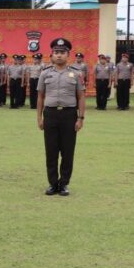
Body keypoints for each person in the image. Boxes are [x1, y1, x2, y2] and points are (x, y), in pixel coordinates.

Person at [37, 37, 85, 196]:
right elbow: (40, 97)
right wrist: (39, 118)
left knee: (67, 151)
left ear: (68, 55)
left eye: (62, 52)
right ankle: (52, 183)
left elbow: (81, 97)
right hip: (50, 114)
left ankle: (64, 184)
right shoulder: (45, 73)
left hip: (69, 115)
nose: (59, 55)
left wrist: (80, 118)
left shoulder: (76, 74)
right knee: (51, 151)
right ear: (51, 54)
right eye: (56, 52)